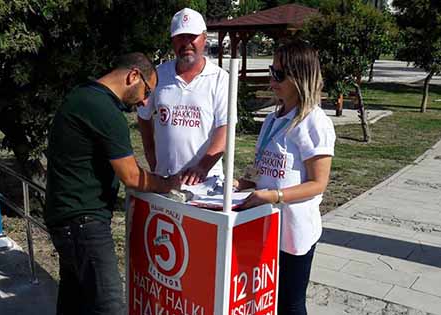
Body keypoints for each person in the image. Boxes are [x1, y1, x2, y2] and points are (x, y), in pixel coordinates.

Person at [45, 52, 179, 315]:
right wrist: (167, 184)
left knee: (74, 300)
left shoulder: (83, 94)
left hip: (65, 218)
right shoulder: (105, 111)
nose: (144, 100)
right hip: (84, 222)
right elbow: (131, 176)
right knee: (110, 306)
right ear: (133, 76)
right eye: (147, 90)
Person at [235, 41, 336, 315]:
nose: (272, 79)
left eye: (279, 74)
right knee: (265, 297)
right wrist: (243, 183)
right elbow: (262, 166)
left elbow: (318, 184)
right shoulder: (272, 118)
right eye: (271, 71)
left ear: (299, 77)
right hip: (264, 225)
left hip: (294, 231)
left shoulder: (314, 122)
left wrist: (276, 196)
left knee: (290, 304)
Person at [137, 7, 229, 185]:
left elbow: (224, 129)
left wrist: (203, 167)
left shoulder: (220, 79)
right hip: (164, 179)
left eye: (192, 36)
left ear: (204, 37)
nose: (186, 43)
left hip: (206, 182)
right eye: (180, 37)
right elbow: (143, 116)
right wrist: (152, 158)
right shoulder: (157, 75)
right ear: (172, 40)